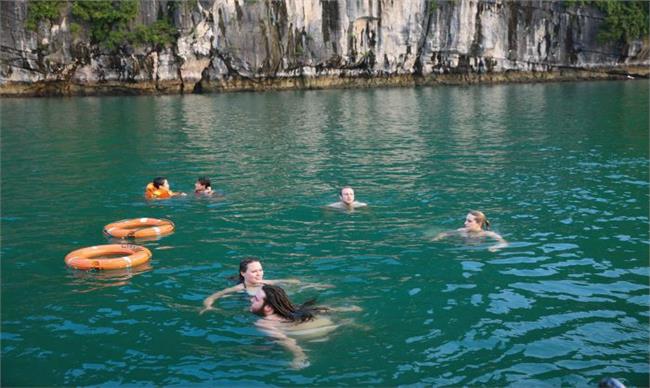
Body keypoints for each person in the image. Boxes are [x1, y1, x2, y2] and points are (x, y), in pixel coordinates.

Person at [250, 284, 361, 369]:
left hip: (318, 334)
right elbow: (321, 310)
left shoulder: (264, 323)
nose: (251, 300)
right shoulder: (292, 309)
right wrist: (346, 309)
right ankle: (353, 323)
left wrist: (299, 356)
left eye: (256, 299)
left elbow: (285, 340)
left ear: (268, 308)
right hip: (328, 323)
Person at [200, 258, 329, 315]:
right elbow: (212, 297)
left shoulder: (267, 282)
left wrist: (314, 285)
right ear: (243, 273)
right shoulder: (239, 288)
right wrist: (208, 307)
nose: (259, 274)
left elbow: (292, 281)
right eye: (254, 271)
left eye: (260, 270)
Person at [432, 210, 508, 252]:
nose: (465, 223)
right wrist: (437, 238)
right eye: (466, 220)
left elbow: (504, 243)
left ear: (479, 223)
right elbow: (444, 233)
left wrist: (495, 247)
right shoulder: (462, 230)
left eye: (469, 221)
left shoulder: (487, 234)